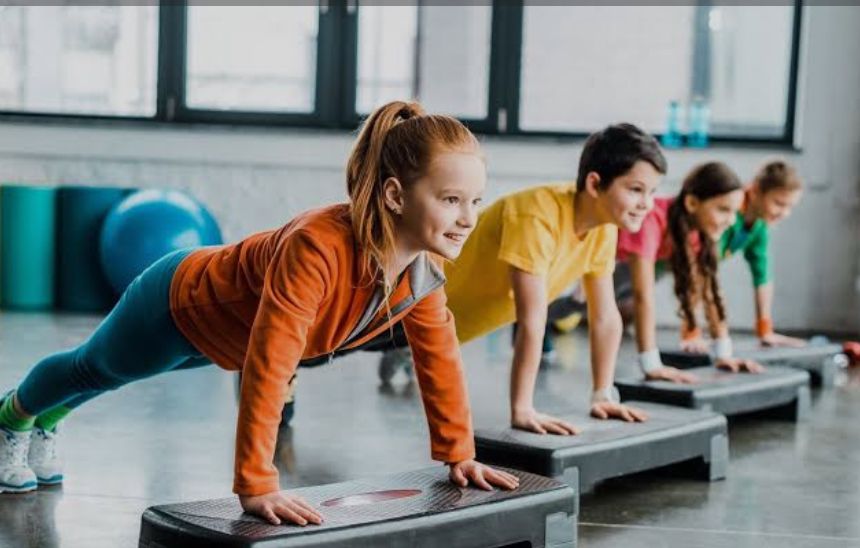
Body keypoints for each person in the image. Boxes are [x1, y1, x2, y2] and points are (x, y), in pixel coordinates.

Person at [0, 100, 519, 525]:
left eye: (476, 200)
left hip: (223, 340)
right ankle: (12, 416)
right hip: (179, 305)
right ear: (394, 196)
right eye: (451, 200)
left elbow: (439, 361)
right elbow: (271, 364)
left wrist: (460, 454)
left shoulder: (422, 276)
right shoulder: (318, 247)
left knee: (107, 377)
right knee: (94, 367)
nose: (468, 218)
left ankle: (49, 418)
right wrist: (256, 483)